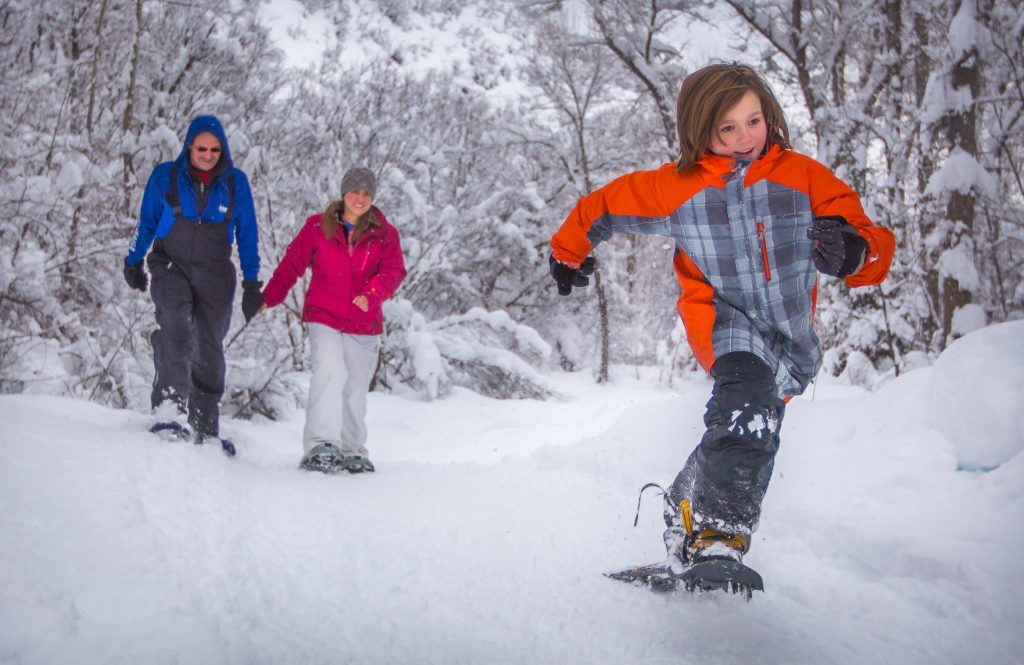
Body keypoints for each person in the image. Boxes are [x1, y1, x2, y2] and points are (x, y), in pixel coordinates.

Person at [549, 63, 895, 586]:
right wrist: (567, 252)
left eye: (753, 121)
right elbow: (606, 207)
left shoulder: (802, 177)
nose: (743, 138)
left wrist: (853, 251)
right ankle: (717, 538)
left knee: (753, 417)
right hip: (722, 320)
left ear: (768, 116)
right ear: (699, 131)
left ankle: (685, 502)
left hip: (789, 334)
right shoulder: (677, 188)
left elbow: (867, 236)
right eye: (726, 128)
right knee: (749, 407)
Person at [123, 115, 263, 456]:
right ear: (189, 146)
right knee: (176, 328)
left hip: (216, 273)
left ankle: (204, 422)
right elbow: (147, 222)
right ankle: (170, 409)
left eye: (215, 149)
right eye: (201, 148)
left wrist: (251, 283)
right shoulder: (166, 177)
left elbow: (247, 234)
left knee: (210, 346)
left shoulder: (235, 183)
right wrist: (133, 260)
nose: (208, 155)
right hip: (171, 265)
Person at [258, 166, 407, 474]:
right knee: (328, 369)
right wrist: (269, 297)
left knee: (354, 384)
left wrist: (373, 293)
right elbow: (292, 264)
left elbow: (394, 272)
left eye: (367, 193)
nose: (360, 198)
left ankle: (352, 448)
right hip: (324, 315)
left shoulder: (385, 234)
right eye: (355, 191)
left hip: (363, 320)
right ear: (344, 193)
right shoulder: (318, 227)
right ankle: (321, 445)